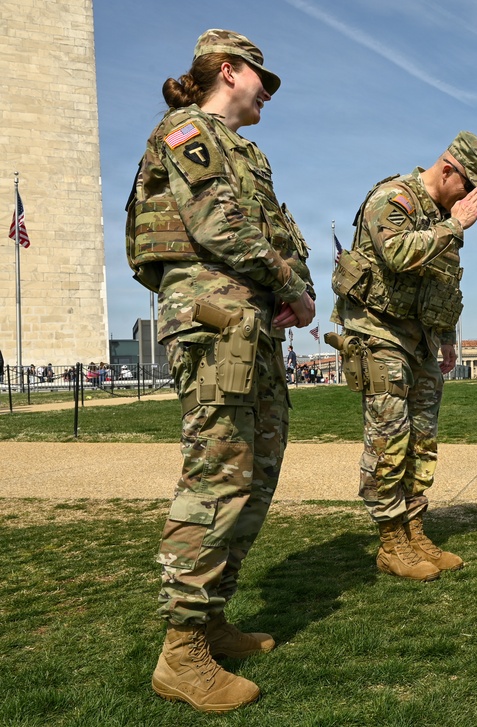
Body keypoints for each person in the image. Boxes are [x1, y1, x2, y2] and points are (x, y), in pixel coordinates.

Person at [125, 29, 315, 711]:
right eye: (262, 78)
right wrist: (289, 283)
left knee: (257, 468)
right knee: (219, 471)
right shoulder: (187, 132)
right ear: (228, 71)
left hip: (249, 321)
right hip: (212, 317)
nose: (268, 92)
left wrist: (294, 286)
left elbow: (277, 229)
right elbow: (219, 228)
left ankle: (209, 619)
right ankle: (181, 652)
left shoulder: (246, 151)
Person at [332, 131, 477, 581]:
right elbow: (399, 255)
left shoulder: (440, 215)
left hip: (420, 337)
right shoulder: (394, 198)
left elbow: (441, 281)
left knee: (422, 434)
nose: (469, 202)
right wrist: (456, 225)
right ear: (448, 171)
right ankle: (390, 542)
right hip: (379, 332)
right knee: (390, 435)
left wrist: (443, 335)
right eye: (469, 189)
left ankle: (414, 528)